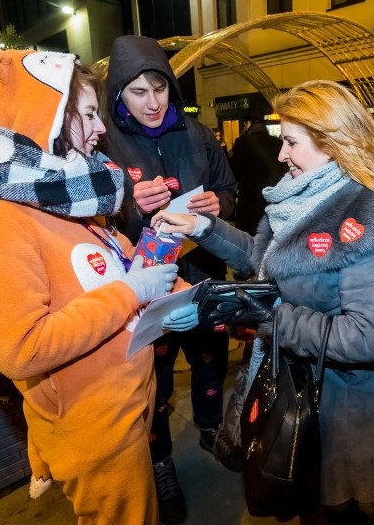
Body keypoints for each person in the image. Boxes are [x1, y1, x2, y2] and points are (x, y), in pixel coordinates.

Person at [0, 49, 199, 524]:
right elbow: (22, 347)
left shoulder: (64, 190)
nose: (101, 128)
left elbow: (111, 263)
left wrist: (172, 291)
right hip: (92, 432)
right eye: (86, 115)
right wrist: (132, 293)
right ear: (48, 120)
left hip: (124, 410)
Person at [154, 80, 374, 523]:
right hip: (297, 386)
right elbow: (264, 260)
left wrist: (271, 317)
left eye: (291, 142)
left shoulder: (371, 215)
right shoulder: (300, 199)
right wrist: (202, 227)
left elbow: (370, 336)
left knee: (329, 508)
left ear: (332, 144)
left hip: (340, 409)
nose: (280, 155)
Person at [102, 35, 238, 524]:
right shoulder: (104, 143)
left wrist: (217, 205)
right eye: (138, 92)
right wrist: (130, 208)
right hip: (145, 290)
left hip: (203, 277)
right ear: (119, 94)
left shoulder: (199, 135)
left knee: (210, 364)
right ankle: (160, 463)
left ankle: (209, 427)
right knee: (153, 384)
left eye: (159, 88)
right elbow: (94, 223)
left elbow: (229, 188)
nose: (153, 102)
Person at [228, 106, 287, 236]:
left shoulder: (243, 142)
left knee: (248, 242)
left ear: (248, 123)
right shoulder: (277, 142)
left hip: (250, 204)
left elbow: (233, 173)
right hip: (273, 200)